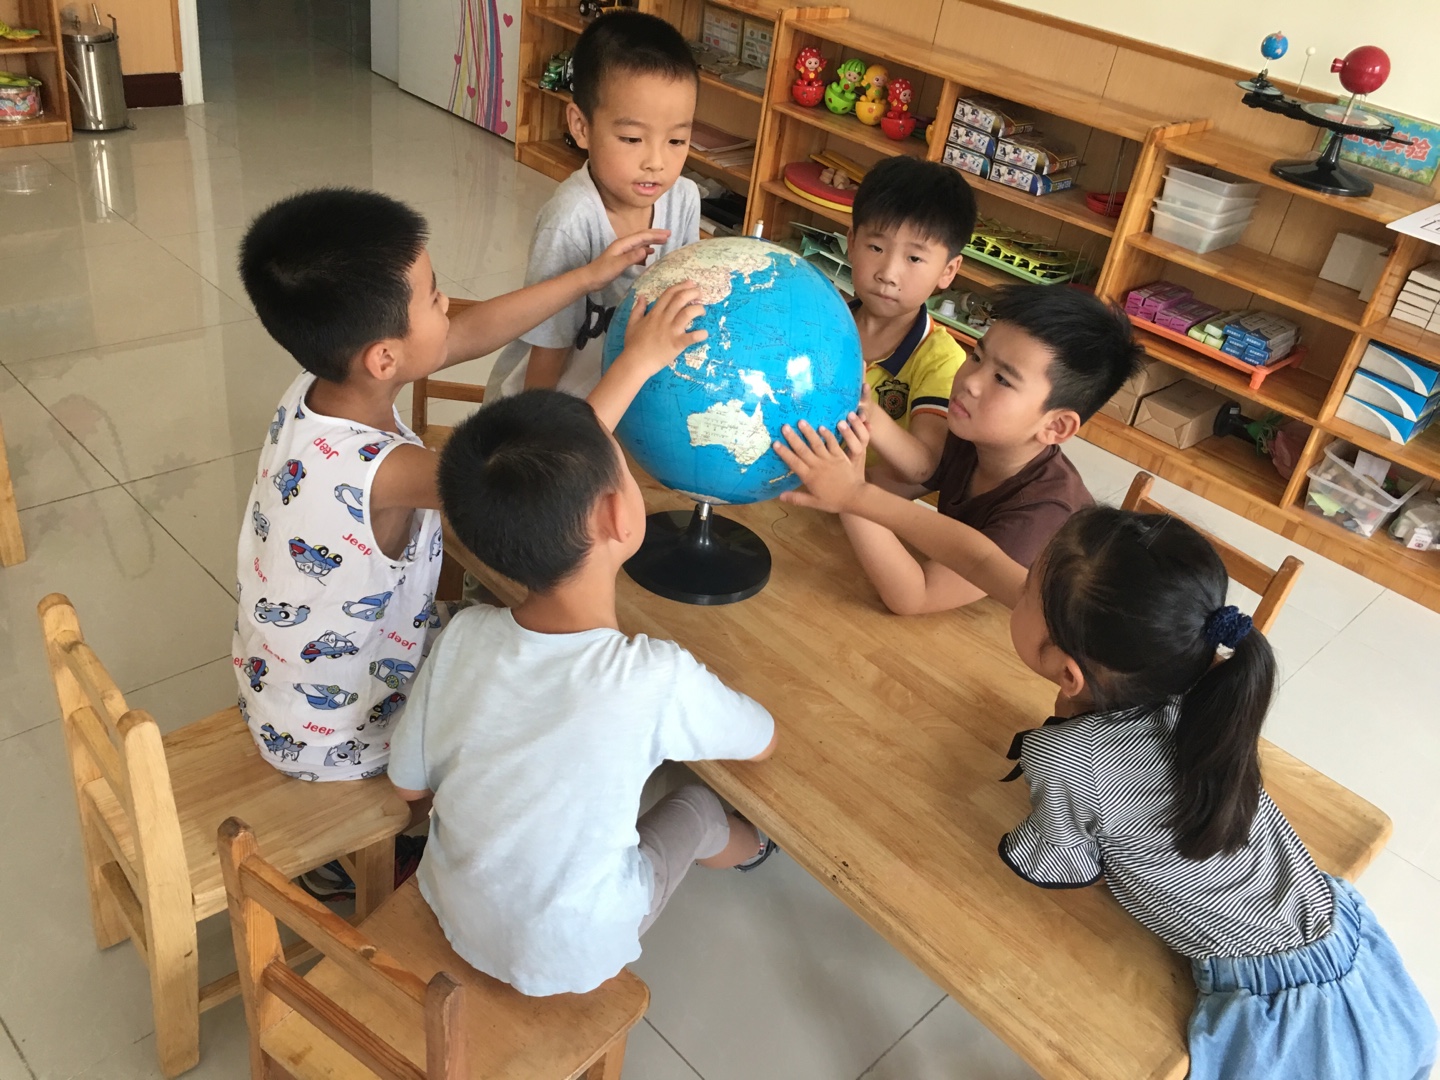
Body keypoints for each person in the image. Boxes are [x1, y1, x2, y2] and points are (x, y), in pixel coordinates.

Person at [772, 420, 1438, 1080]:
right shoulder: (1190, 673)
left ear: (1068, 673)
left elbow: (1063, 870)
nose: (1013, 581)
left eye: (1026, 591)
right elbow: (977, 557)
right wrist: (855, 495)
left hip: (1269, 1010)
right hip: (1343, 937)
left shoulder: (1070, 761)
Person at [387, 283, 778, 997]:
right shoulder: (653, 676)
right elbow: (761, 740)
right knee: (697, 807)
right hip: (572, 953)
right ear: (615, 516)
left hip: (453, 905)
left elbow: (409, 784)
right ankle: (756, 851)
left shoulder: (462, 636)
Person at [234, 186, 667, 788]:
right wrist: (637, 362)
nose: (447, 305)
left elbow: (463, 333)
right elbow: (549, 466)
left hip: (287, 688)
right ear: (384, 358)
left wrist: (587, 278)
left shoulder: (325, 380)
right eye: (434, 296)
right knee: (550, 703)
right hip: (342, 734)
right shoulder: (382, 472)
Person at [848, 285, 1141, 615]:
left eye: (1002, 379)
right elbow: (888, 486)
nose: (970, 382)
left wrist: (850, 492)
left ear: (1056, 426)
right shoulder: (971, 439)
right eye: (976, 357)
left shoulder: (1044, 515)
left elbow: (916, 596)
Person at [486, 9, 701, 400]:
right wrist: (539, 433)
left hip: (620, 398)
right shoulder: (570, 221)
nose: (656, 162)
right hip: (549, 408)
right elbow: (547, 355)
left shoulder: (684, 198)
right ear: (581, 127)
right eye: (632, 139)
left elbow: (679, 306)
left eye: (676, 141)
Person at [846, 156, 976, 485]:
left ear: (948, 270)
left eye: (914, 258)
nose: (888, 274)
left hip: (865, 504)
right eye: (876, 247)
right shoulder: (822, 323)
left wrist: (865, 409)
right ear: (851, 243)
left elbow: (924, 465)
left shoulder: (941, 359)